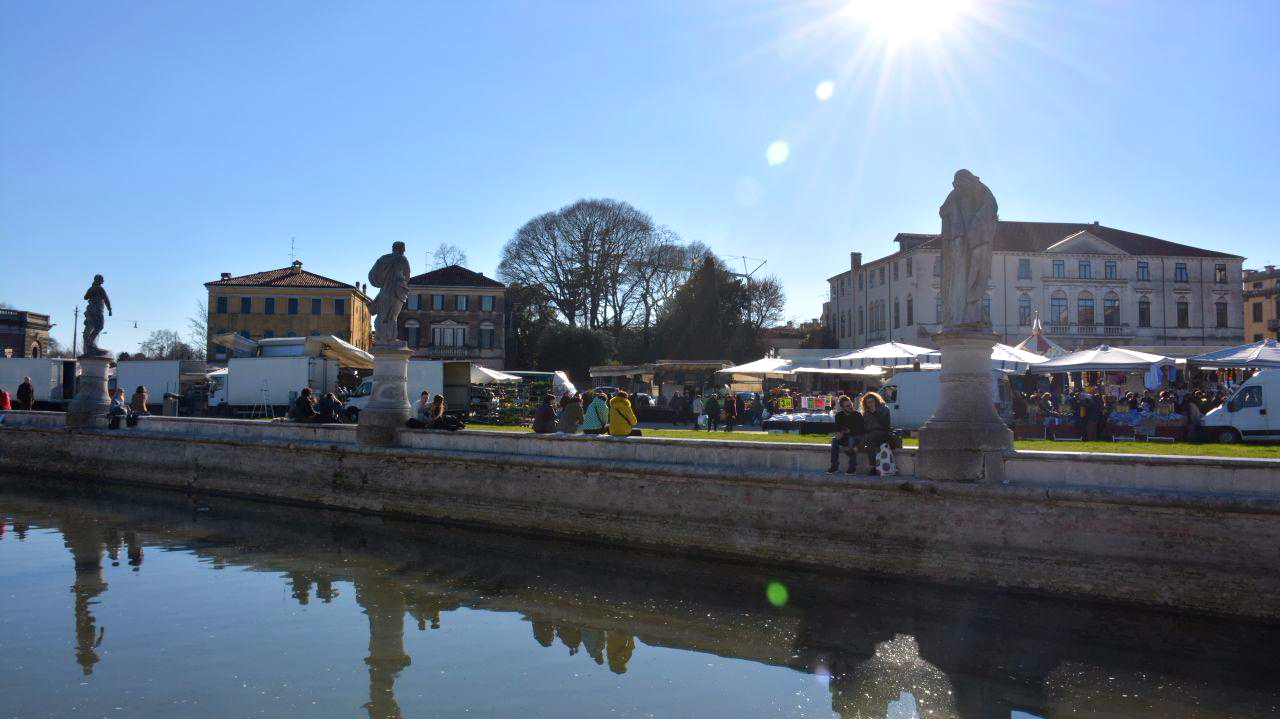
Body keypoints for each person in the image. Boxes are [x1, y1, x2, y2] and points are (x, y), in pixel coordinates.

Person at [828, 395, 865, 474]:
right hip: (845, 436)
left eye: (851, 404)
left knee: (851, 439)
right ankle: (834, 466)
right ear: (843, 407)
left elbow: (859, 431)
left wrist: (846, 431)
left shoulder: (857, 415)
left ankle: (852, 467)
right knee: (834, 440)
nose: (850, 407)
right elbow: (838, 429)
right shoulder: (839, 416)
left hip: (857, 437)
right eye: (847, 406)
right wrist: (839, 433)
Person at [860, 392, 892, 476]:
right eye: (868, 402)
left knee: (872, 435)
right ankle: (872, 468)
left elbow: (885, 425)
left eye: (872, 401)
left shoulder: (884, 409)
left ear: (876, 400)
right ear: (866, 404)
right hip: (871, 436)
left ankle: (858, 447)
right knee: (870, 439)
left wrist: (875, 412)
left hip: (883, 433)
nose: (871, 404)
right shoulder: (866, 413)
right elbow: (864, 428)